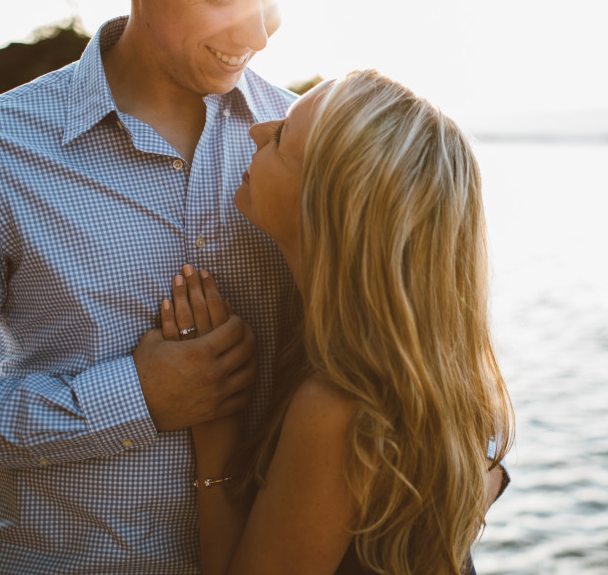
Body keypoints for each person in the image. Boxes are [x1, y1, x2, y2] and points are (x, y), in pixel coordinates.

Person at [0, 0, 304, 572]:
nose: (257, 36)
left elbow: (413, 339)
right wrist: (132, 397)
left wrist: (474, 465)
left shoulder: (314, 149)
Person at [157, 70, 514, 574]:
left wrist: (215, 423)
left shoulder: (338, 409)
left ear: (326, 203)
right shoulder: (446, 377)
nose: (257, 131)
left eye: (281, 137)